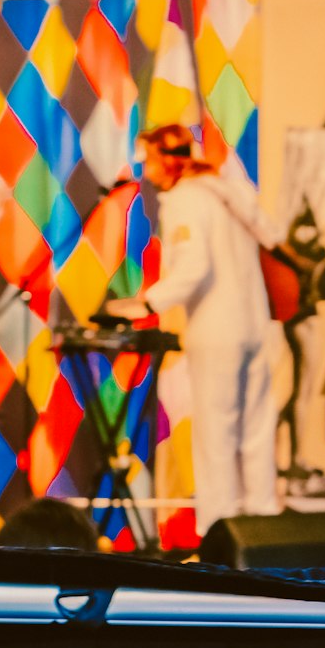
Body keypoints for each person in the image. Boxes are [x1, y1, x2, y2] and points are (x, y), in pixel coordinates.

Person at [109, 123, 279, 538]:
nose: (145, 172)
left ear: (169, 161)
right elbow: (273, 235)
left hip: (217, 330)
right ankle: (264, 526)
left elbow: (193, 267)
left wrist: (145, 304)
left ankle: (219, 531)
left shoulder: (185, 200)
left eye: (149, 161)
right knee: (256, 430)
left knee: (216, 434)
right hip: (257, 326)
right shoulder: (229, 191)